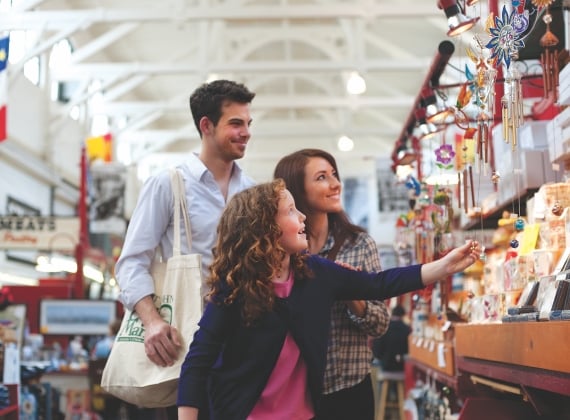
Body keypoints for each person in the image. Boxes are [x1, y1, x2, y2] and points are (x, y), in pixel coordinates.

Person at [177, 179, 480, 420]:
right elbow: (198, 361)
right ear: (265, 228)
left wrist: (444, 266)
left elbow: (378, 284)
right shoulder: (235, 289)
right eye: (291, 211)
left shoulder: (314, 273)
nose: (303, 216)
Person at [115, 79, 256, 418]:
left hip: (242, 340)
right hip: (183, 344)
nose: (246, 132)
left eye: (248, 123)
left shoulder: (251, 191)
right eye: (236, 123)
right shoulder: (169, 183)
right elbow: (131, 263)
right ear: (206, 126)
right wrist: (151, 321)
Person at [273, 148, 389, 420]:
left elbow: (380, 324)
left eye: (334, 174)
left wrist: (350, 294)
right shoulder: (281, 252)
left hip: (351, 389)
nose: (336, 184)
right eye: (322, 177)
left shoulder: (359, 245)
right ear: (296, 190)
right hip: (296, 392)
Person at [372, 304, 411, 372]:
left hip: (385, 365)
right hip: (400, 367)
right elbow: (408, 351)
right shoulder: (407, 330)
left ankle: (381, 382)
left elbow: (376, 349)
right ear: (403, 315)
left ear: (392, 314)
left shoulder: (383, 327)